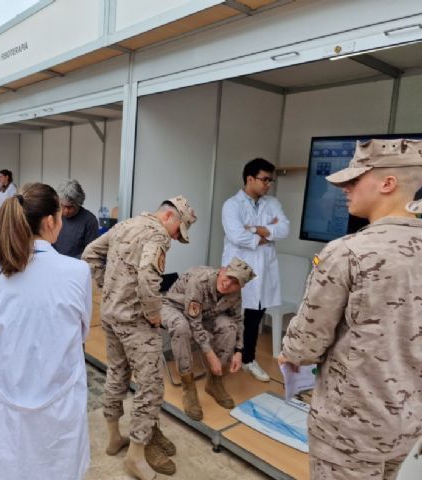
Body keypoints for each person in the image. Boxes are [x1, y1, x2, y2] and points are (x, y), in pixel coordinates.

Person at [278, 138, 422, 480]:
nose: (345, 187)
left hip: (350, 429)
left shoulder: (347, 252)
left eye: (355, 179)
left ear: (387, 184)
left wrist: (289, 352)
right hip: (406, 422)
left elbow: (306, 345)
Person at [0, 183, 92, 480]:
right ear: (49, 221)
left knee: (10, 466)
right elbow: (81, 332)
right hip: (60, 393)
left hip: (9, 391)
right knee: (61, 467)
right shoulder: (77, 272)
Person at [82, 196, 196, 480]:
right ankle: (135, 455)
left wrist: (107, 287)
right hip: (135, 323)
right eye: (177, 230)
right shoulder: (157, 235)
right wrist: (155, 313)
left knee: (117, 374)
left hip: (110, 315)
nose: (174, 237)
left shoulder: (125, 225)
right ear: (170, 216)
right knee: (151, 386)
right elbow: (148, 277)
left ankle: (113, 438)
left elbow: (89, 254)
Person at [161, 258, 256, 420]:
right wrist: (210, 355)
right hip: (173, 308)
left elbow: (237, 319)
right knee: (181, 327)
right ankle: (188, 388)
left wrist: (239, 351)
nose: (227, 284)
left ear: (242, 286)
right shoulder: (199, 281)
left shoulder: (235, 293)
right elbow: (194, 322)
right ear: (222, 270)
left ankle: (214, 381)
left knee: (229, 326)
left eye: (235, 283)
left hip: (204, 314)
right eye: (228, 277)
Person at [221, 157, 289, 382]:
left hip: (263, 269)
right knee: (229, 315)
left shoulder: (272, 203)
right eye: (264, 179)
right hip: (238, 267)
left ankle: (248, 359)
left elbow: (285, 229)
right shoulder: (232, 205)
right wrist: (267, 234)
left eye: (271, 180)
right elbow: (237, 235)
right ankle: (224, 356)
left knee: (254, 316)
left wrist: (256, 229)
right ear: (250, 178)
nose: (268, 184)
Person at [53, 179, 99, 258]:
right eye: (62, 206)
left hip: (77, 265)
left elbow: (91, 252)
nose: (66, 211)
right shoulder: (54, 215)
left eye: (70, 207)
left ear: (79, 203)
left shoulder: (89, 220)